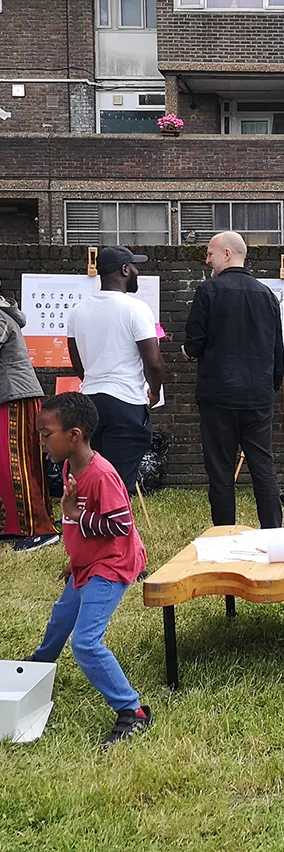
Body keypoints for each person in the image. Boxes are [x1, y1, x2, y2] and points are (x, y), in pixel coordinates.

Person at [31, 392, 151, 748]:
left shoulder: (102, 475)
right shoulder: (70, 465)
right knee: (60, 618)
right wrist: (74, 562)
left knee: (85, 643)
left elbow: (121, 524)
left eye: (45, 434)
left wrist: (75, 515)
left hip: (111, 566)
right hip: (85, 566)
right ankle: (39, 667)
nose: (41, 442)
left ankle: (133, 711)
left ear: (75, 435)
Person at [182, 231, 284, 530]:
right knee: (263, 465)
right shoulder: (267, 295)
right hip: (258, 395)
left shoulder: (208, 291)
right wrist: (271, 387)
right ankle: (273, 533)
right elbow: (276, 349)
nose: (206, 259)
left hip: (219, 395)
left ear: (227, 254)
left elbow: (194, 342)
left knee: (220, 470)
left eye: (210, 254)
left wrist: (188, 351)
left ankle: (225, 534)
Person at [67, 246, 164, 493]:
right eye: (134, 266)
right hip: (125, 403)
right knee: (119, 481)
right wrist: (154, 390)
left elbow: (77, 362)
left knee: (92, 476)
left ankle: (93, 526)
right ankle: (117, 528)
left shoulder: (78, 311)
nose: (136, 272)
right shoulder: (136, 308)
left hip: (89, 402)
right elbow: (152, 361)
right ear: (124, 270)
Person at [0, 285, 59, 552]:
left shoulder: (1, 316)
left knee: (16, 463)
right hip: (10, 396)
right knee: (12, 464)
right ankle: (16, 525)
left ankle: (38, 529)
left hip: (15, 396)